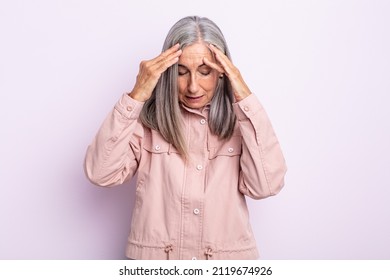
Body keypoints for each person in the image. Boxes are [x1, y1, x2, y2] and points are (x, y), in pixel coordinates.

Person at [84, 15, 287, 260]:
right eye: (181, 72)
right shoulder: (147, 123)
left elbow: (265, 186)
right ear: (167, 73)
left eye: (204, 72)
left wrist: (244, 95)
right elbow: (100, 173)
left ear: (223, 73)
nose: (192, 86)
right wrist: (136, 95)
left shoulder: (242, 123)